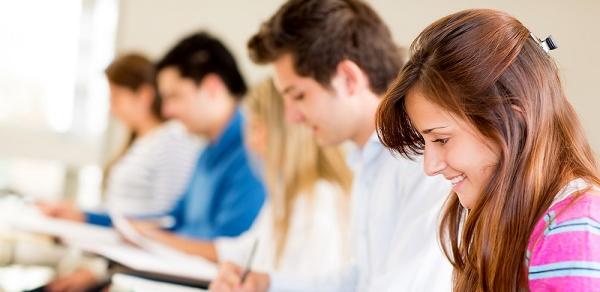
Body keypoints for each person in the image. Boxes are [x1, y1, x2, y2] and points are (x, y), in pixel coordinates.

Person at [210, 1, 452, 291]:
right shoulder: (371, 158)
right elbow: (360, 281)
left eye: (298, 95)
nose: (291, 116)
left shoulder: (424, 161)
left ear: (349, 79)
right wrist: (268, 285)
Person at [376, 8, 600, 291]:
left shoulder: (574, 229)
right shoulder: (514, 223)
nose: (430, 166)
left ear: (513, 120)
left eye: (442, 140)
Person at [158, 78, 353, 281]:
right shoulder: (287, 195)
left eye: (256, 128)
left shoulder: (318, 202)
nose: (251, 141)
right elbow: (243, 251)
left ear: (287, 131)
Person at [127, 32, 266, 248]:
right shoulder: (206, 151)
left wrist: (156, 239)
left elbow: (228, 248)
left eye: (174, 96)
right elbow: (173, 219)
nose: (166, 111)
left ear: (212, 87)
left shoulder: (254, 150)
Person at [39, 53, 199, 225]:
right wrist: (78, 212)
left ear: (144, 95)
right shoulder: (141, 143)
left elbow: (164, 219)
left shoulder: (171, 141)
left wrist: (86, 217)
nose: (112, 108)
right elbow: (119, 210)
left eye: (116, 97)